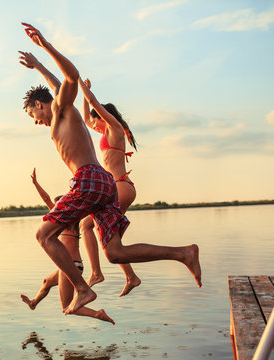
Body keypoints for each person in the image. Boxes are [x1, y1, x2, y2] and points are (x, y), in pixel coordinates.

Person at [19, 22, 201, 315]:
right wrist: (39, 64)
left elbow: (70, 77)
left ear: (40, 106)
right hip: (104, 183)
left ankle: (83, 288)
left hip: (89, 179)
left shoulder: (60, 111)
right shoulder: (62, 111)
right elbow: (57, 84)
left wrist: (46, 47)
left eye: (32, 114)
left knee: (43, 235)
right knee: (115, 252)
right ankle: (183, 253)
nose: (35, 121)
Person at [20, 169, 114, 324]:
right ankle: (33, 303)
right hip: (75, 265)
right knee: (46, 282)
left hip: (69, 265)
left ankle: (97, 314)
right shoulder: (76, 218)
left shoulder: (62, 218)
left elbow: (46, 198)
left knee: (66, 306)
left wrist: (35, 184)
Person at [78, 78, 142, 296]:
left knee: (87, 225)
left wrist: (81, 84)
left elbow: (95, 106)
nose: (93, 125)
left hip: (119, 187)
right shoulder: (105, 132)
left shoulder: (114, 128)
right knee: (109, 238)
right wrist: (85, 96)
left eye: (97, 121)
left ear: (103, 117)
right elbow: (87, 119)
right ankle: (131, 277)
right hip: (118, 188)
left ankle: (96, 273)